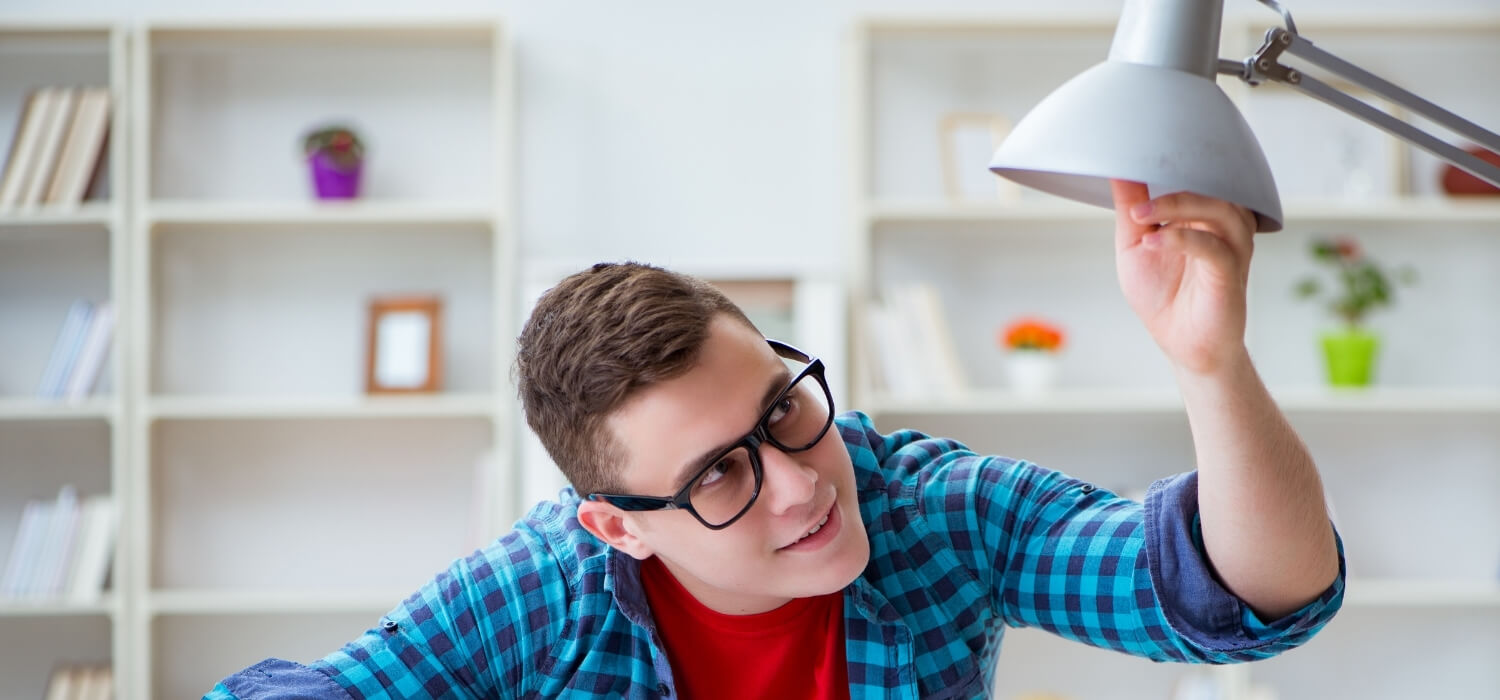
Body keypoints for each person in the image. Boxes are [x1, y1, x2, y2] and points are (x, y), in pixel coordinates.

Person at [206, 182, 1344, 699]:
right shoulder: (554, 586)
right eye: (717, 476)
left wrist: (1210, 364)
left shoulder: (926, 510)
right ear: (617, 525)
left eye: (785, 407)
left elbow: (1244, 599)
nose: (804, 482)